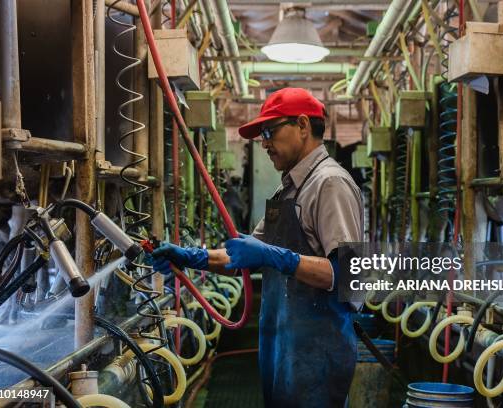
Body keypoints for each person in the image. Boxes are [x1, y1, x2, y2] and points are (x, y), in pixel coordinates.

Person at [151, 88, 363, 407]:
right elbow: (247, 254)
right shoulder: (287, 190)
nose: (263, 143)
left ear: (303, 125)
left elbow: (347, 275)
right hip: (284, 347)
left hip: (317, 352)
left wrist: (279, 258)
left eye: (269, 131)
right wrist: (192, 258)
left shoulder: (329, 184)